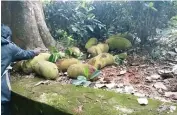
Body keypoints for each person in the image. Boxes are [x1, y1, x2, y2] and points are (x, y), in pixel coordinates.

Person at [1, 24, 42, 115]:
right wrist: (35, 52)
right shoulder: (9, 47)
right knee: (3, 104)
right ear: (8, 36)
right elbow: (24, 54)